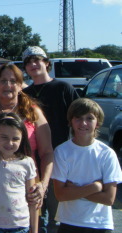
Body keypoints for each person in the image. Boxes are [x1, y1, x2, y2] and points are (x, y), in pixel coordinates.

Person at [0, 63, 53, 208]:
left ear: (20, 86)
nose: (8, 85)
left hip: (26, 190)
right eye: (3, 81)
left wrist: (43, 185)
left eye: (13, 81)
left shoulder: (33, 113)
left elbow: (47, 152)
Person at [22, 46, 79, 233]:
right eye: (29, 62)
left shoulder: (63, 88)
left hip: (60, 161)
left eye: (37, 60)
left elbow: (79, 120)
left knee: (57, 216)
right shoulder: (24, 95)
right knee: (35, 215)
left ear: (47, 63)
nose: (33, 64)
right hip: (32, 162)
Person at [52, 98, 122, 233]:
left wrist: (74, 190)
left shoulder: (107, 154)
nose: (83, 123)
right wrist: (95, 187)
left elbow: (109, 198)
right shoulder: (62, 151)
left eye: (89, 118)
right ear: (71, 121)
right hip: (69, 221)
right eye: (78, 118)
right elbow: (60, 194)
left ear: (97, 123)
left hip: (100, 224)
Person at [0, 112, 39, 233]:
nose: (9, 143)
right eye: (4, 137)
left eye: (15, 139)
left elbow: (33, 200)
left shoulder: (27, 163)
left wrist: (35, 230)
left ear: (22, 139)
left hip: (20, 226)